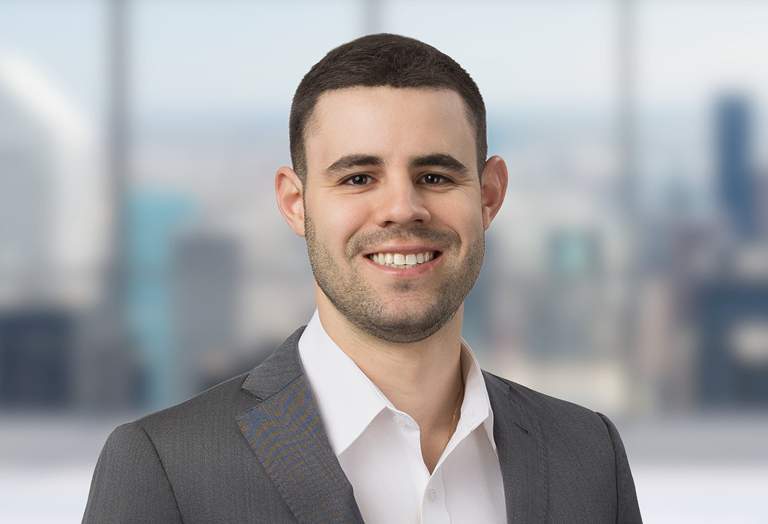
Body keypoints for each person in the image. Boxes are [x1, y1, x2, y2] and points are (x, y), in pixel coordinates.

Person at [83, 33, 642, 523]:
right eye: (357, 178)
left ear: (489, 194)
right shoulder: (166, 466)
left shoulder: (588, 456)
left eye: (434, 175)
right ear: (295, 203)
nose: (401, 208)